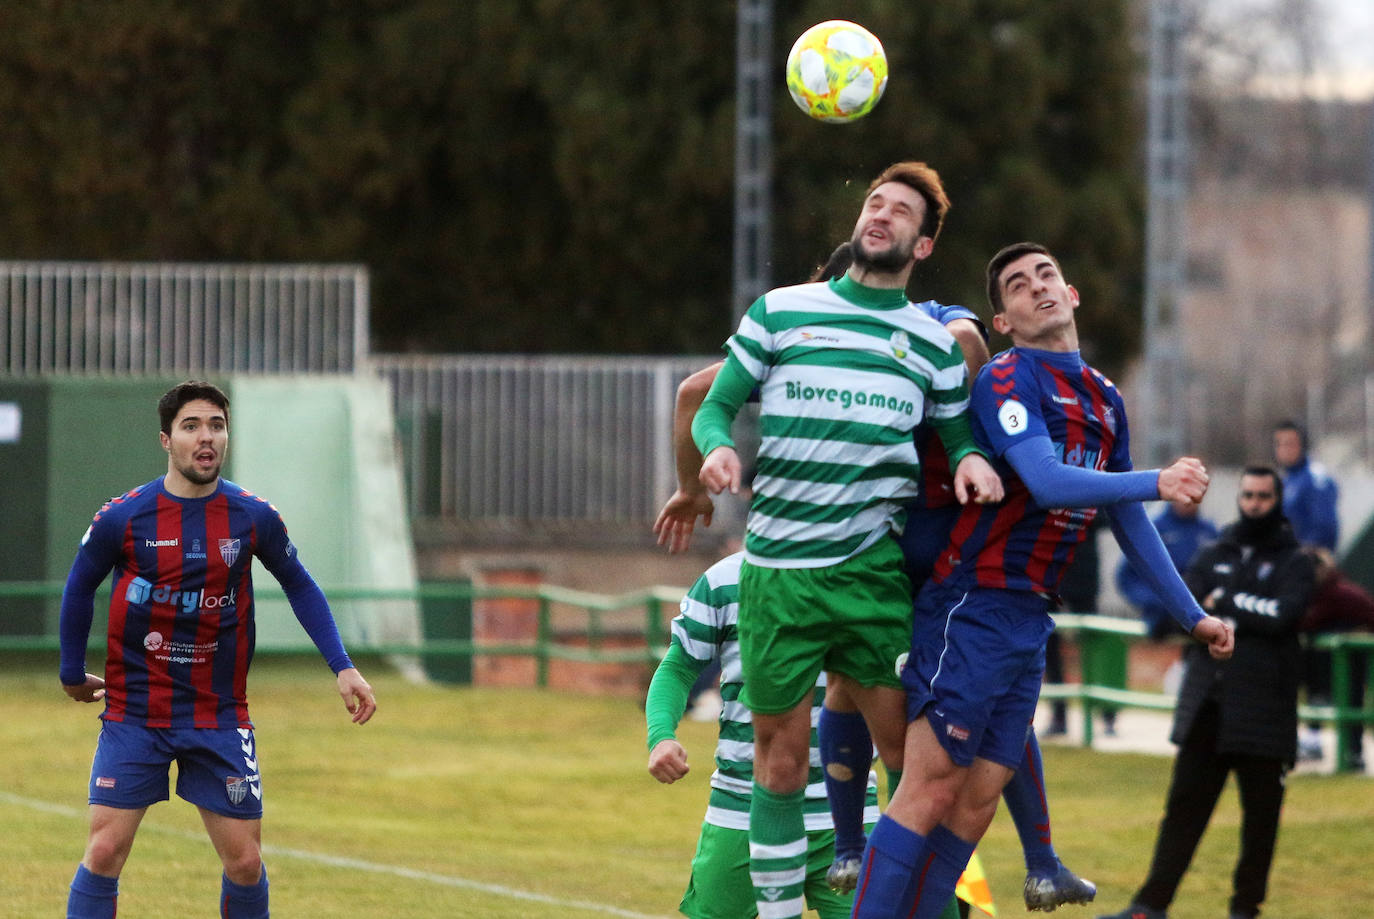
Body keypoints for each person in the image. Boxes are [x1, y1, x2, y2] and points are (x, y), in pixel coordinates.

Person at [656, 240, 1094, 913]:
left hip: (895, 564)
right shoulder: (826, 341)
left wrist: (691, 490)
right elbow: (694, 394)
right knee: (918, 745)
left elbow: (966, 338)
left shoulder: (919, 328)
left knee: (907, 745)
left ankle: (935, 870)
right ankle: (963, 873)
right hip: (890, 567)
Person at [848, 242, 1234, 919]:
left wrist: (1191, 614)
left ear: (1072, 291)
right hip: (972, 603)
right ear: (1004, 320)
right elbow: (1048, 481)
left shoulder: (1106, 398)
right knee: (929, 790)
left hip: (1028, 618)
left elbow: (1125, 519)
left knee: (972, 808)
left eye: (1047, 274)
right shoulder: (1007, 377)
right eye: (1018, 286)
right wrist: (1158, 482)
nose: (1037, 288)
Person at [690, 161, 1005, 919]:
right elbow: (714, 406)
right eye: (875, 202)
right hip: (777, 572)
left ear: (922, 245)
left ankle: (917, 905)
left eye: (901, 211)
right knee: (780, 757)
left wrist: (969, 461)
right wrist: (716, 450)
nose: (882, 214)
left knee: (910, 758)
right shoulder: (779, 311)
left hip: (869, 575)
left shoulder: (930, 345)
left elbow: (960, 435)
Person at [58, 380, 377, 919]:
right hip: (137, 711)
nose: (206, 438)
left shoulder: (253, 517)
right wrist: (71, 672)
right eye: (191, 426)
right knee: (105, 850)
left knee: (246, 863)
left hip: (218, 714)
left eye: (216, 425)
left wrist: (342, 665)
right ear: (166, 439)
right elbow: (79, 584)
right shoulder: (124, 516)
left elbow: (299, 583)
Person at [1097, 467, 1317, 919]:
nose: (1254, 502)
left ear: (1276, 500)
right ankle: (1148, 907)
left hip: (1264, 712)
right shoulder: (1215, 549)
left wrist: (1228, 600)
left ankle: (1244, 910)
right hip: (1207, 706)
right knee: (1182, 812)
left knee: (1260, 824)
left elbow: (1284, 614)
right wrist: (1237, 604)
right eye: (1248, 494)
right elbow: (1190, 605)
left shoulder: (1296, 561)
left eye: (1263, 495)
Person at [646, 550, 883, 919]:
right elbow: (679, 666)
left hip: (846, 812)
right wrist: (661, 735)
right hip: (741, 805)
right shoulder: (723, 580)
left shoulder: (868, 575)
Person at [1272, 419, 1345, 762]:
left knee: (1314, 656)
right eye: (1279, 444)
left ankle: (1314, 734)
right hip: (1285, 578)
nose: (1284, 450)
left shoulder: (1313, 480)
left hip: (1308, 580)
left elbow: (1324, 532)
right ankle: (1295, 729)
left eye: (1290, 443)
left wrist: (1307, 564)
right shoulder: (1284, 482)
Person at [1299, 546, 1374, 771]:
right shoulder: (1318, 591)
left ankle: (1353, 753)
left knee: (1351, 700)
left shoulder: (1336, 592)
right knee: (1320, 693)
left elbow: (1307, 620)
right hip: (1328, 661)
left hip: (1353, 659)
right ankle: (1319, 745)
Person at [1115, 497, 1220, 641]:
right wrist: (1157, 602)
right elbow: (1126, 577)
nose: (1188, 501)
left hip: (1202, 624)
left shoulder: (1209, 531)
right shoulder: (1154, 528)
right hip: (1161, 626)